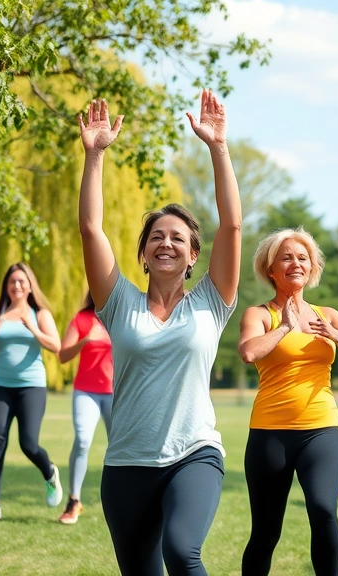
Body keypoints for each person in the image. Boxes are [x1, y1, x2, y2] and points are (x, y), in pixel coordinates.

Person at [78, 91, 240, 575]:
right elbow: (90, 228)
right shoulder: (119, 303)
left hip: (194, 456)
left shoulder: (212, 302)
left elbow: (231, 225)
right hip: (126, 463)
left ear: (194, 256)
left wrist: (218, 148)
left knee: (182, 551)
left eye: (178, 238)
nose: (165, 242)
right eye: (156, 236)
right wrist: (94, 156)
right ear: (144, 254)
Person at [238, 228, 338, 575]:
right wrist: (284, 327)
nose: (295, 263)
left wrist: (337, 334)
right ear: (271, 269)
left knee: (324, 509)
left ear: (312, 268)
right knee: (267, 531)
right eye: (286, 257)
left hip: (321, 429)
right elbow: (249, 351)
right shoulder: (259, 314)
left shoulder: (326, 314)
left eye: (302, 258)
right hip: (270, 433)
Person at [0, 263, 63, 521]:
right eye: (12, 281)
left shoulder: (40, 313)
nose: (16, 286)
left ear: (29, 285)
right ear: (6, 286)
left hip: (31, 387)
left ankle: (49, 473)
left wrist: (32, 328)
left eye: (21, 281)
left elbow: (55, 345)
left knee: (28, 444)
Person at [57, 291, 113, 524]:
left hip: (116, 392)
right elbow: (62, 356)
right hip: (86, 392)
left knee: (120, 447)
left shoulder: (119, 316)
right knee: (82, 440)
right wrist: (85, 340)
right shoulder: (81, 319)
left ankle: (126, 500)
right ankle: (74, 501)